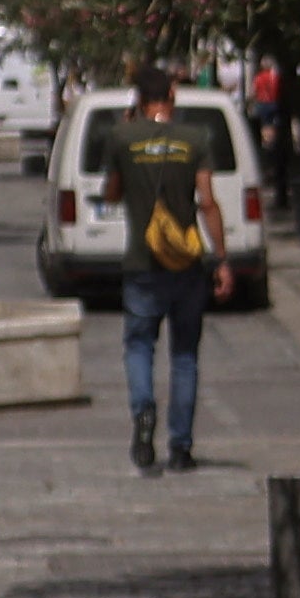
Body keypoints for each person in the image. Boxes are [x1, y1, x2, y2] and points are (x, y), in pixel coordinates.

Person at [104, 56, 223, 476]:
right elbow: (207, 202)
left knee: (139, 346)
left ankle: (143, 412)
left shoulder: (122, 136)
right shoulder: (195, 138)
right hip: (187, 262)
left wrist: (126, 135)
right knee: (185, 355)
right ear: (171, 96)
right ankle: (181, 447)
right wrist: (221, 258)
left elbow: (113, 194)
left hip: (142, 261)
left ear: (139, 100)